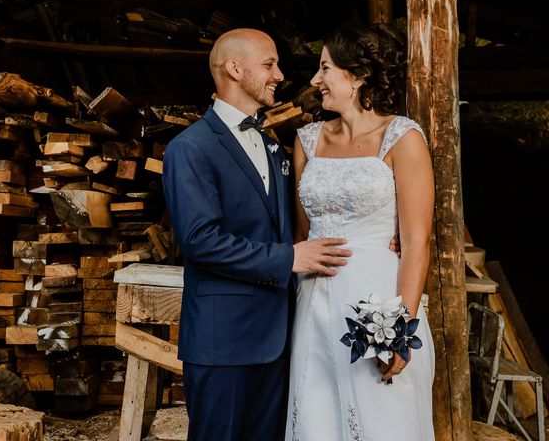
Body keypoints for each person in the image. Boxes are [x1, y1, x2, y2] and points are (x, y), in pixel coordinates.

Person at [162, 28, 351, 441]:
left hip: (280, 339)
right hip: (223, 342)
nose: (279, 74)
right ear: (234, 68)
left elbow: (298, 221)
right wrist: (289, 259)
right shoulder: (189, 148)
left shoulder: (269, 144)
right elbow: (199, 241)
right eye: (269, 64)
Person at [285, 23, 436, 440]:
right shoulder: (307, 140)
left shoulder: (403, 138)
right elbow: (303, 233)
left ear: (357, 75)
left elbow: (417, 242)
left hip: (379, 302)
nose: (315, 81)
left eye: (325, 68)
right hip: (313, 304)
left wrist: (401, 329)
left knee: (384, 419)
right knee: (317, 420)